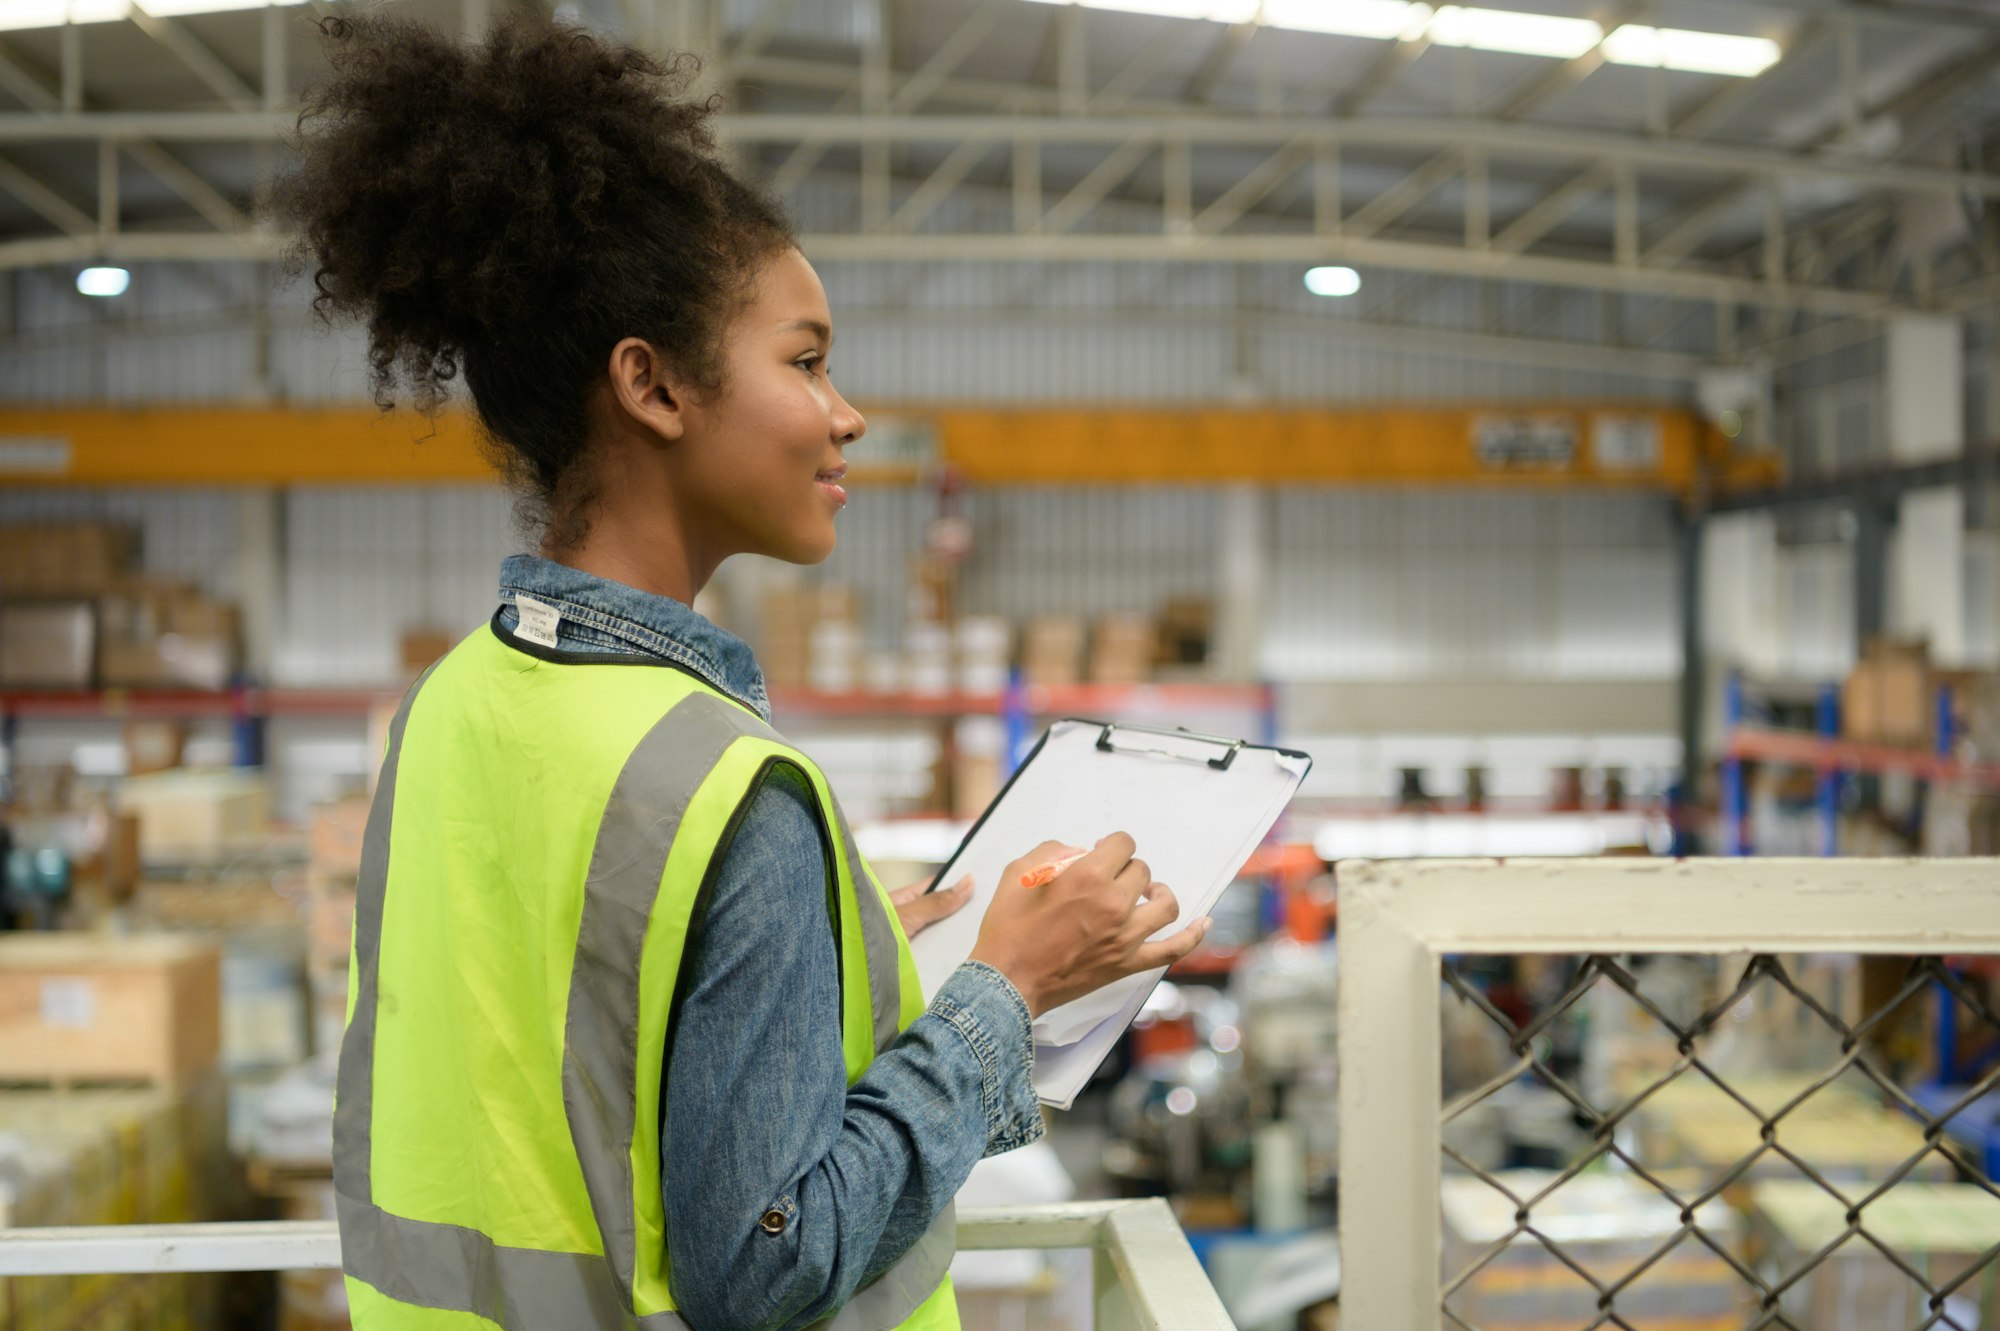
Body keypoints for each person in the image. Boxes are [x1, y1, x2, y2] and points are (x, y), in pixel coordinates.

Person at [271, 13, 1210, 1331]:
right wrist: (1006, 998)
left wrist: (830, 954)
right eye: (808, 360)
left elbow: (551, 1044)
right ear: (653, 388)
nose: (849, 413)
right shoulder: (723, 793)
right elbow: (763, 1258)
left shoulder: (452, 705)